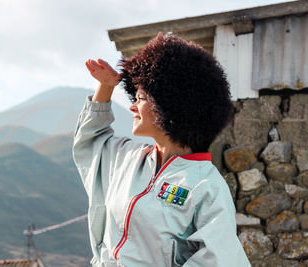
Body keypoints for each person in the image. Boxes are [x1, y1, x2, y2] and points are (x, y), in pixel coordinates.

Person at [72, 33, 250, 267]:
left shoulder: (207, 186)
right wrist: (106, 86)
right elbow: (90, 140)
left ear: (171, 105)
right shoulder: (126, 159)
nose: (133, 106)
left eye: (141, 97)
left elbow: (218, 260)